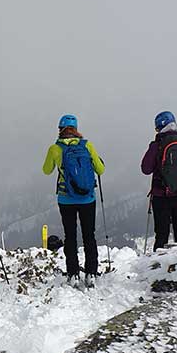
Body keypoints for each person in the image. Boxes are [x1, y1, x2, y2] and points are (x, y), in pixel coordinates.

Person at [42, 115, 106, 282]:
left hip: (66, 199)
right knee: (89, 235)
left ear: (60, 129)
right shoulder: (87, 145)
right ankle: (91, 273)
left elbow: (46, 170)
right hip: (87, 198)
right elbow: (100, 170)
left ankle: (73, 274)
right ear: (76, 128)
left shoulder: (55, 149)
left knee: (70, 236)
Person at [141, 111, 177, 250]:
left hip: (162, 196)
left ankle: (157, 268)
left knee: (161, 235)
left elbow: (146, 168)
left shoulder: (157, 145)